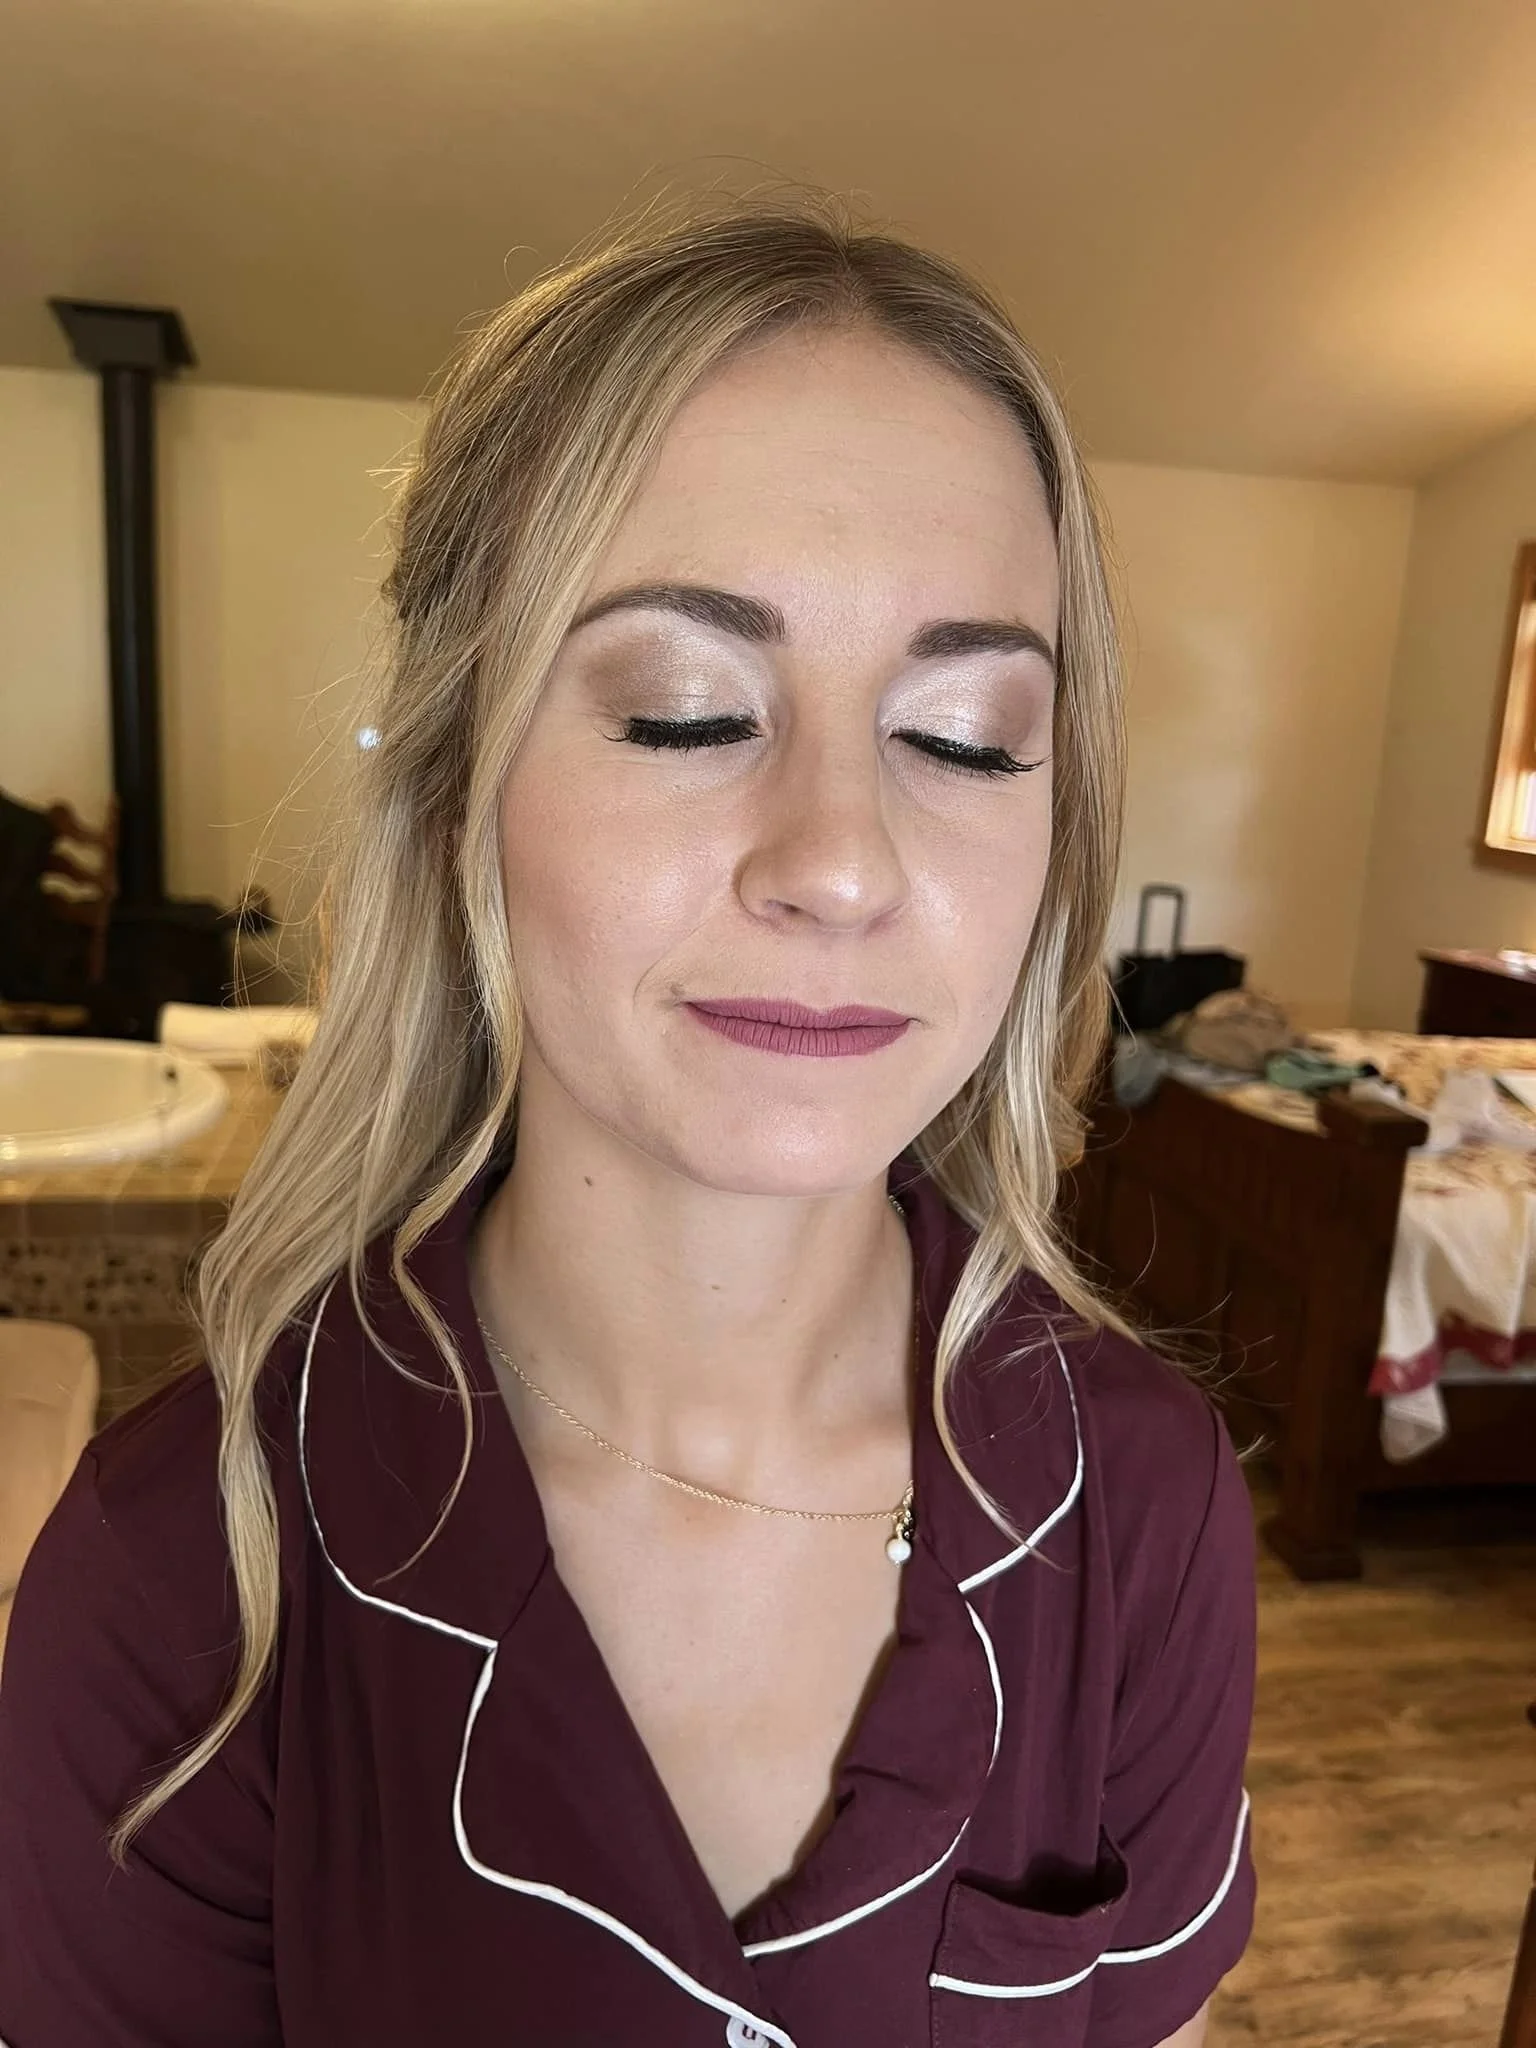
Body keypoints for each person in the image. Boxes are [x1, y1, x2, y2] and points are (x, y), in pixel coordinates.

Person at [0, 194, 1255, 2048]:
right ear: (455, 793)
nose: (839, 862)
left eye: (970, 735)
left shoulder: (1143, 1507)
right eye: (684, 712)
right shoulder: (187, 1580)